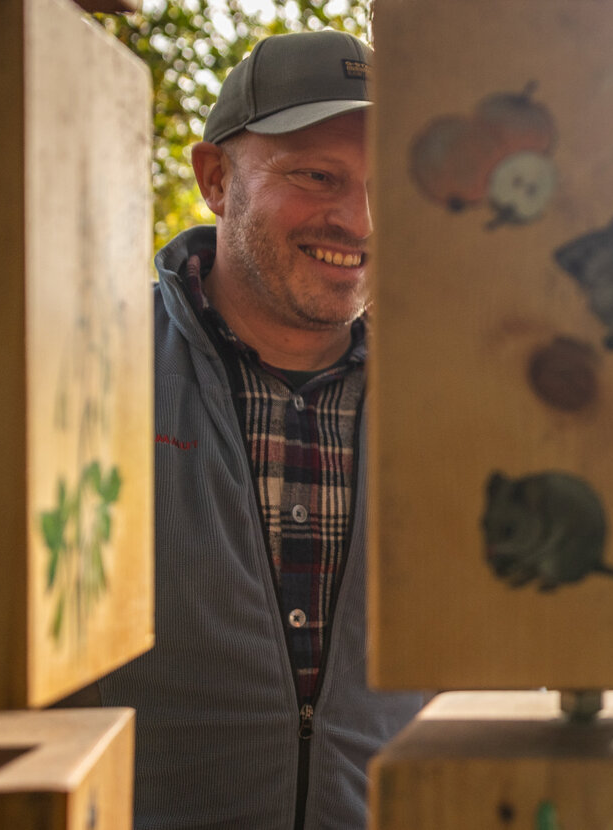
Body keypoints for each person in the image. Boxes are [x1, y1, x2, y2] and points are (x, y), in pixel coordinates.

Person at [92, 30, 423, 829]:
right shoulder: (90, 369)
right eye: (317, 175)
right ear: (215, 177)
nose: (361, 220)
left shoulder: (450, 405)